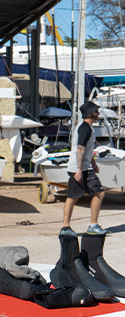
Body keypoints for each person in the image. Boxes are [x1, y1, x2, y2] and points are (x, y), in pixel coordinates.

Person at [61, 101, 108, 236]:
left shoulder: (86, 127)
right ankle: (92, 225)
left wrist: (93, 163)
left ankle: (66, 228)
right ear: (89, 113)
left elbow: (85, 149)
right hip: (81, 168)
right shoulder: (85, 128)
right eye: (95, 111)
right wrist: (80, 170)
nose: (98, 113)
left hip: (81, 167)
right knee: (98, 193)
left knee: (74, 197)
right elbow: (80, 149)